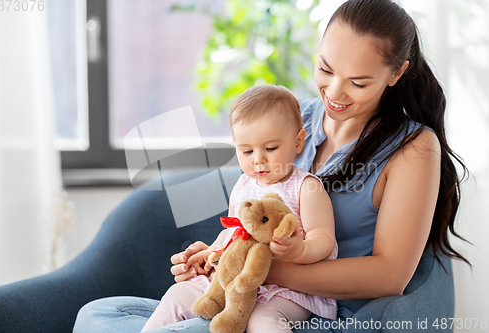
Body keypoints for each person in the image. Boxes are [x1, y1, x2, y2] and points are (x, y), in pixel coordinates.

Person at [72, 0, 470, 332]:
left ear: (397, 73)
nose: (334, 93)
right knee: (95, 314)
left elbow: (389, 276)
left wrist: (260, 270)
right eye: (326, 70)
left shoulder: (414, 149)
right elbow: (255, 215)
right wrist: (218, 255)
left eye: (358, 83)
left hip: (312, 311)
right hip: (249, 289)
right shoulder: (296, 122)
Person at [140, 84, 338, 332]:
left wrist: (299, 250)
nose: (258, 159)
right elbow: (235, 233)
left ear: (298, 142)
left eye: (271, 148)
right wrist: (212, 253)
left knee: (262, 320)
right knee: (177, 294)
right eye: (246, 150)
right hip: (236, 280)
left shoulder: (306, 188)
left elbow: (324, 239)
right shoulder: (243, 185)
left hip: (286, 290)